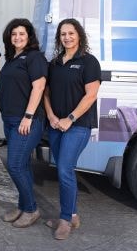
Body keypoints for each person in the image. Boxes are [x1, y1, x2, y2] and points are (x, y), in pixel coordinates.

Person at [43, 18, 101, 240]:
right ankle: (72, 214)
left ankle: (65, 219)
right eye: (63, 34)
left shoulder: (88, 62)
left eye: (71, 33)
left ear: (79, 35)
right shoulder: (55, 62)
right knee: (63, 169)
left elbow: (91, 95)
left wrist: (70, 118)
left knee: (65, 169)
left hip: (78, 126)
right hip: (56, 125)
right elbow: (46, 93)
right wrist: (50, 115)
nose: (67, 37)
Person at [0, 19, 47, 228]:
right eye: (14, 34)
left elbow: (39, 87)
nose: (17, 37)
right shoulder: (12, 58)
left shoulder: (34, 57)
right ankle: (22, 205)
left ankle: (31, 209)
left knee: (15, 165)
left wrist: (28, 116)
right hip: (10, 119)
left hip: (27, 121)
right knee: (23, 165)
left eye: (22, 34)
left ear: (29, 37)